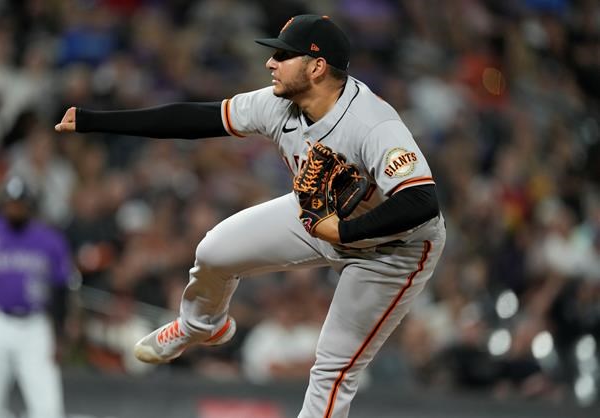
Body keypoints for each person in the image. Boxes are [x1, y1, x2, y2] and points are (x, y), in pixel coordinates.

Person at [55, 14, 446, 418]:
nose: (270, 63)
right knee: (214, 251)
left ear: (316, 67)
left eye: (283, 54)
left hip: (394, 249)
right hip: (323, 219)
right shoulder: (278, 103)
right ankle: (201, 325)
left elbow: (422, 202)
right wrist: (95, 122)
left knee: (333, 371)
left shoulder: (372, 123)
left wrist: (345, 232)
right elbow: (194, 119)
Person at [0, 175, 73, 418]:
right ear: (2, 203)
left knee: (49, 410)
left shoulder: (49, 240)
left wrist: (60, 333)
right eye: (10, 202)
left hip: (35, 326)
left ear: (30, 204)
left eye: (20, 202)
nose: (15, 207)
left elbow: (61, 289)